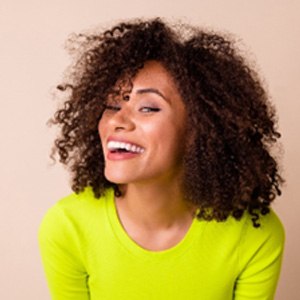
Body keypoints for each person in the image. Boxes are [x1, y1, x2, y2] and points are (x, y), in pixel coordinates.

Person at [38, 18, 285, 299]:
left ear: (198, 129)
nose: (117, 121)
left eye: (148, 107)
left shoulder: (254, 234)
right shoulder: (68, 227)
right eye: (112, 105)